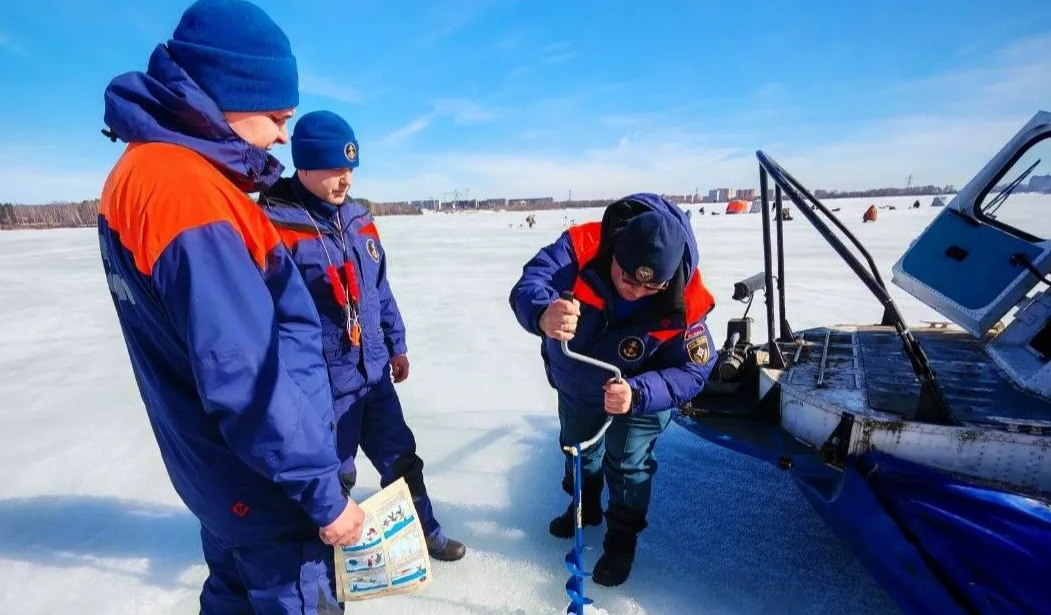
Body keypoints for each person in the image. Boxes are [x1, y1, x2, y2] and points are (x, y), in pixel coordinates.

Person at [95, 2, 362, 615]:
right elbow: (247, 376)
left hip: (220, 477)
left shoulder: (145, 174)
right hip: (269, 485)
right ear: (226, 92)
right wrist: (323, 495)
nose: (282, 135)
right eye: (275, 115)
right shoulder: (188, 195)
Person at [258, 110, 467, 562]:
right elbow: (265, 316)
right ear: (305, 165)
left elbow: (379, 289)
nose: (346, 179)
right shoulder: (275, 225)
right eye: (335, 169)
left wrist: (397, 344)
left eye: (350, 168)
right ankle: (326, 562)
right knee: (334, 478)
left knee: (402, 460)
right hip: (322, 386)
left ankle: (426, 534)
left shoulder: (359, 218)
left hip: (373, 376)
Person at [508, 193, 718, 586]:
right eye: (627, 279)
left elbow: (694, 369)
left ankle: (621, 540)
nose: (636, 292)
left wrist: (638, 393)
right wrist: (543, 312)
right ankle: (584, 508)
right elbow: (530, 283)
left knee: (627, 462)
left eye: (651, 287)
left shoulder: (688, 299)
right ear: (616, 252)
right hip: (577, 383)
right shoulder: (581, 246)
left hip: (640, 394)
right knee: (577, 448)